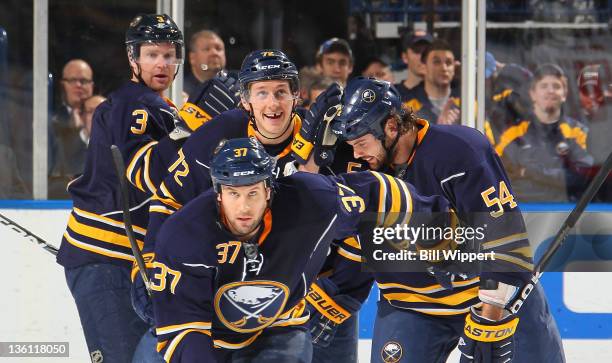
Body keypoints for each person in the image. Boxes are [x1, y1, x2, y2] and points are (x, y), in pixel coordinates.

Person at [141, 49, 367, 363]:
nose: (272, 104)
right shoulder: (216, 135)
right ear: (245, 100)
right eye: (262, 93)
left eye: (280, 93)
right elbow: (168, 201)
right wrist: (153, 263)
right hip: (223, 293)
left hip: (307, 293)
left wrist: (339, 296)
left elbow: (363, 222)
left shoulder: (329, 142)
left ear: (295, 97)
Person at [321, 77, 565, 362]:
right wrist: (331, 299)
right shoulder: (364, 168)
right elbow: (358, 240)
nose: (357, 153)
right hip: (411, 304)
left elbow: (504, 235)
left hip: (489, 297)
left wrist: (490, 319)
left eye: (361, 142)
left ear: (390, 127)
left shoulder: (460, 150)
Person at [151, 137, 454, 362]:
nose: (243, 207)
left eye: (253, 193)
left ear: (269, 189)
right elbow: (186, 332)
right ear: (217, 192)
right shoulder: (183, 234)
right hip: (211, 336)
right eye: (233, 193)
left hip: (279, 326)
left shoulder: (310, 200)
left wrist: (443, 234)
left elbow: (376, 193)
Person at [55, 13, 201, 362]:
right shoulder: (131, 104)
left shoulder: (160, 106)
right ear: (133, 58)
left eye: (169, 55)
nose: (162, 63)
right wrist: (190, 130)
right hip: (105, 259)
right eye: (152, 54)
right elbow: (144, 174)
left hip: (129, 262)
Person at [495, 63, 593, 202]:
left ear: (564, 94)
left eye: (556, 86)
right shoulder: (513, 134)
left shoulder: (578, 132)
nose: (550, 91)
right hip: (526, 212)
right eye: (544, 86)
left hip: (566, 214)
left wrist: (529, 172)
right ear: (532, 93)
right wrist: (555, 177)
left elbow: (581, 177)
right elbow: (499, 177)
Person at [49, 59, 94, 198]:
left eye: (84, 81)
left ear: (92, 85)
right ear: (63, 85)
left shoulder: (106, 117)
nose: (79, 85)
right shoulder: (50, 121)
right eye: (73, 80)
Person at [403, 39, 461, 125]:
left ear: (454, 68)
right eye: (437, 62)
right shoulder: (407, 106)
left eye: (448, 63)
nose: (444, 68)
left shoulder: (468, 102)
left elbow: (486, 137)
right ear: (423, 67)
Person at [577, 63, 612, 201]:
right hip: (578, 205)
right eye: (588, 90)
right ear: (579, 93)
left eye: (603, 89)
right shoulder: (565, 127)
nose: (596, 96)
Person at [184, 30, 226, 97]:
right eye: (207, 49)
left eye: (218, 48)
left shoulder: (239, 87)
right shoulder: (180, 92)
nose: (214, 53)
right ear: (192, 58)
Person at [395, 30, 433, 96]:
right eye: (417, 51)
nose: (423, 56)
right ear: (405, 57)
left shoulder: (449, 92)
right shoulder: (392, 96)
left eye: (428, 51)